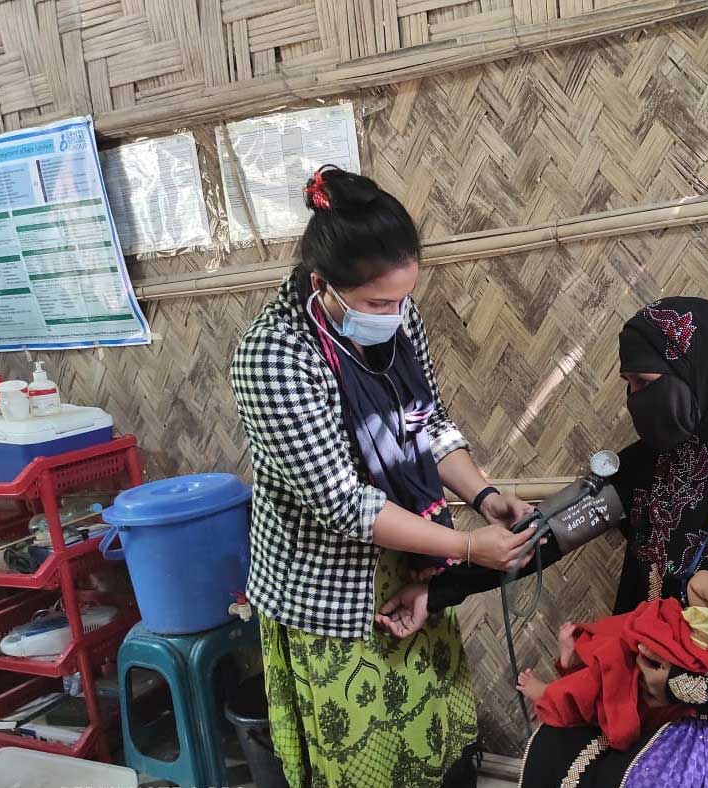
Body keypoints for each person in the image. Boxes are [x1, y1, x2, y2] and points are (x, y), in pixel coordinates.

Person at [377, 297, 708, 788]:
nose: (635, 402)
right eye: (628, 387)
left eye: (645, 385)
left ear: (701, 373)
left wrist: (690, 687)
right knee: (554, 754)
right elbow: (547, 536)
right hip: (650, 668)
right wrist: (439, 592)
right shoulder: (645, 465)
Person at [230, 165, 536, 788]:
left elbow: (426, 423)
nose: (394, 315)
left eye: (401, 300)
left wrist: (485, 495)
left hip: (415, 557)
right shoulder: (274, 356)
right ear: (324, 286)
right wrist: (469, 546)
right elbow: (343, 502)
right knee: (364, 758)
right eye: (376, 303)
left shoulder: (397, 321)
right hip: (329, 590)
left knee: (436, 739)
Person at [516, 548, 708, 751]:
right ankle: (573, 661)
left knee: (612, 682)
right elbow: (698, 583)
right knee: (607, 639)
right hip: (659, 627)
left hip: (668, 665)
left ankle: (552, 695)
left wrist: (680, 679)